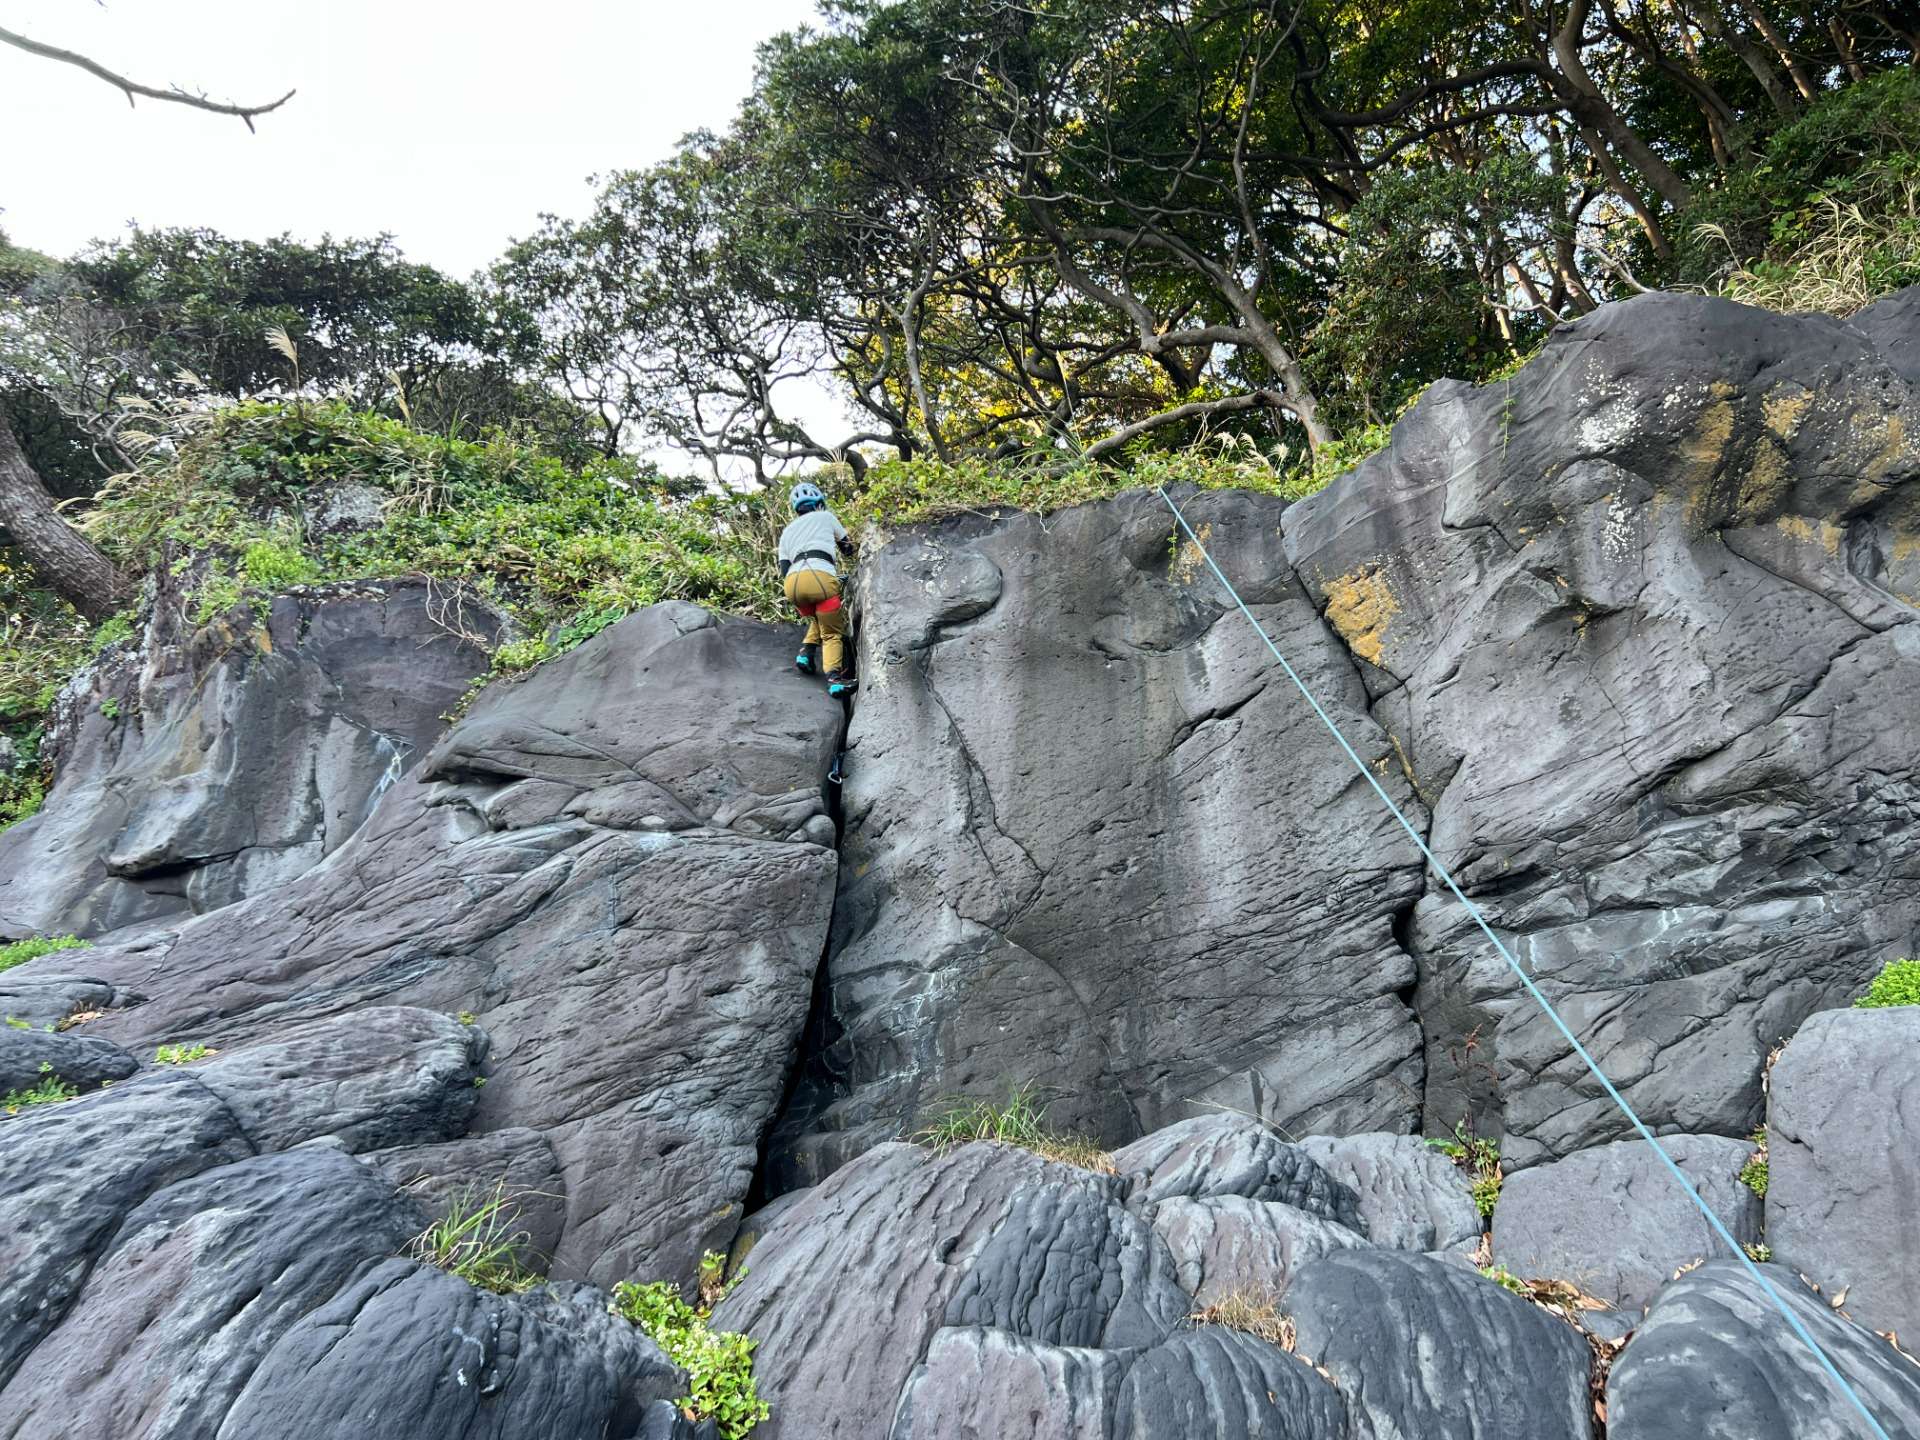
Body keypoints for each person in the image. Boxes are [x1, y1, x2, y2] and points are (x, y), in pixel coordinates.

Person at [779, 480, 858, 697]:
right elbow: (848, 548)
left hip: (793, 586)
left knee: (818, 618)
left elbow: (784, 567)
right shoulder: (826, 517)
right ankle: (835, 679)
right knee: (832, 632)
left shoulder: (787, 531)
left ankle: (805, 654)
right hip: (820, 578)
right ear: (819, 501)